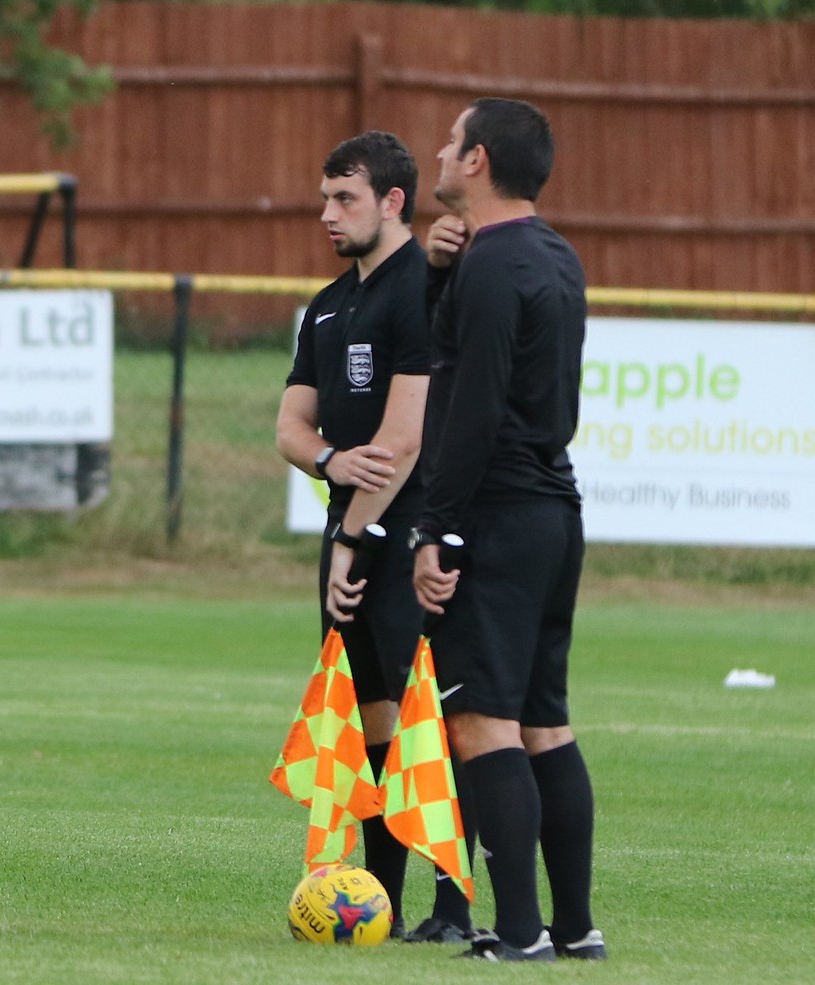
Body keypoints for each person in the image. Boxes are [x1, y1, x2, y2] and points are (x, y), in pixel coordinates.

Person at [411, 97, 604, 962]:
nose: (439, 155)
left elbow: (472, 408)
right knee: (543, 724)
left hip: (494, 511)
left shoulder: (493, 265)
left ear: (479, 160)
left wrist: (437, 531)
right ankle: (573, 929)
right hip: (552, 512)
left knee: (480, 725)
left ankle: (519, 933)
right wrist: (443, 269)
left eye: (451, 143)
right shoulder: (552, 255)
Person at [276, 130, 475, 943]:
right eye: (325, 198)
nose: (328, 213)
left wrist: (352, 538)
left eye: (344, 198)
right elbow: (290, 427)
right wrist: (327, 458)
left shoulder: (420, 293)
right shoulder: (328, 304)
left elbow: (403, 443)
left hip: (411, 534)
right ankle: (380, 903)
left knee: (427, 714)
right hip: (350, 530)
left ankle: (455, 903)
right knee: (369, 716)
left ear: (394, 201)